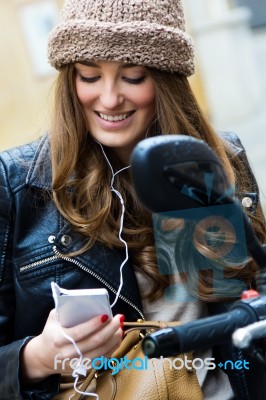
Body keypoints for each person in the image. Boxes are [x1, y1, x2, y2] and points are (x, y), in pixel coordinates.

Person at [0, 0, 265, 399]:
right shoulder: (18, 183)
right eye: (89, 75)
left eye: (133, 76)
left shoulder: (202, 161)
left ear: (167, 79)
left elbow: (240, 313)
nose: (108, 99)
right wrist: (36, 358)